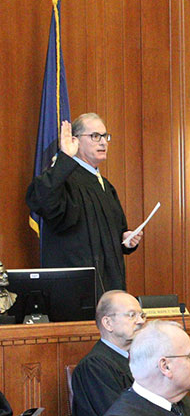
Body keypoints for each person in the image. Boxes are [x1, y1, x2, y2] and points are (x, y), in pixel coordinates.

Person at [26, 114, 143, 292]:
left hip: (110, 290)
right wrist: (65, 157)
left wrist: (125, 239)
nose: (103, 142)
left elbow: (114, 233)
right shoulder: (63, 179)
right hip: (75, 290)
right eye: (95, 136)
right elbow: (41, 199)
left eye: (105, 137)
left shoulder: (106, 186)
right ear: (75, 140)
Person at [70, 290, 146, 416]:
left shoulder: (141, 358)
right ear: (108, 323)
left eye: (142, 315)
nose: (141, 321)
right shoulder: (94, 366)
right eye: (132, 315)